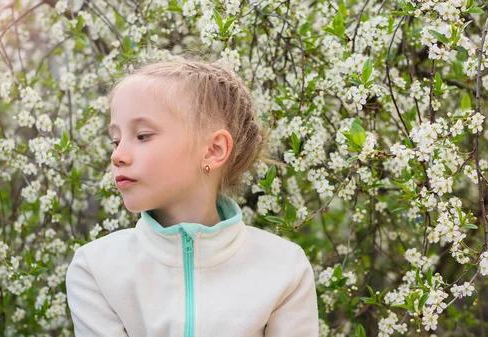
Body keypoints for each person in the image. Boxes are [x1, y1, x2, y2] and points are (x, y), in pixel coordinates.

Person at [65, 55, 319, 337]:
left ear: (213, 150)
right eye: (115, 140)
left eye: (143, 135)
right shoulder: (97, 268)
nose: (118, 155)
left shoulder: (284, 268)